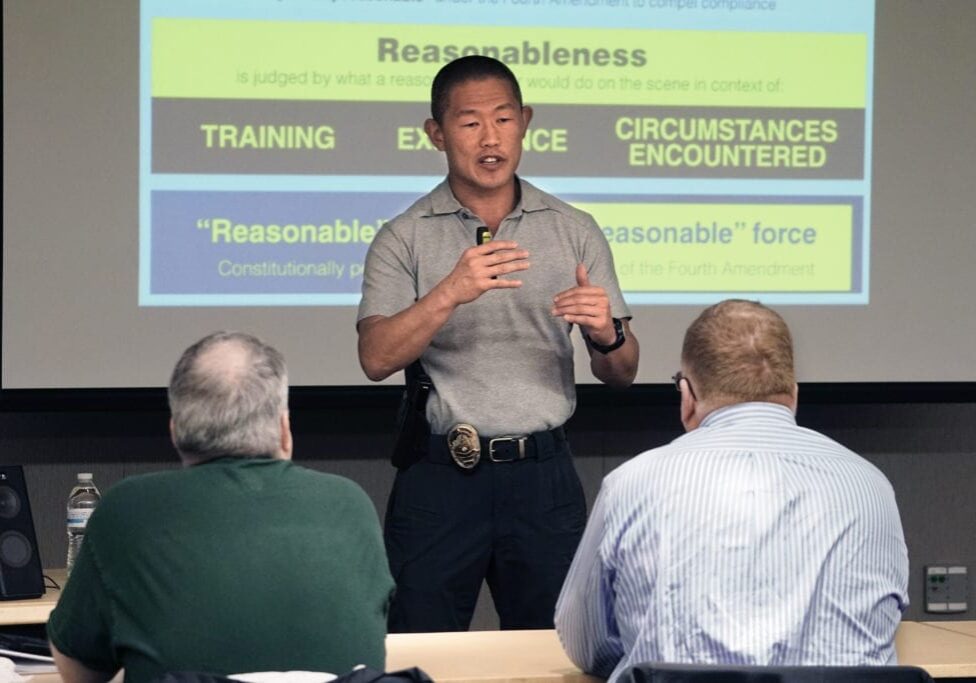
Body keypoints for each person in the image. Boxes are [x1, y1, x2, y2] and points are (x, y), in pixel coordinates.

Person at [357, 55, 639, 632]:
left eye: (504, 119)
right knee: (420, 650)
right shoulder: (402, 237)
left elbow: (623, 371)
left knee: (557, 650)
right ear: (436, 134)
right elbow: (376, 357)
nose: (491, 138)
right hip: (440, 478)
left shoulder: (573, 228)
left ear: (525, 122)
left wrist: (606, 333)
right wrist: (450, 292)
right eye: (469, 123)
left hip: (543, 478)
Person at [555, 300, 909, 682]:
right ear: (792, 393)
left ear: (686, 396)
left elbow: (585, 641)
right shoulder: (869, 484)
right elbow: (883, 623)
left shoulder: (632, 484)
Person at [48, 331, 395, 683]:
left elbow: (77, 672)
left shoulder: (126, 509)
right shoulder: (349, 504)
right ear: (284, 429)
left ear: (175, 430)